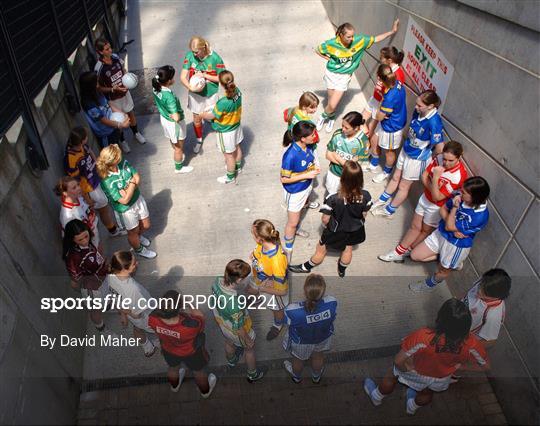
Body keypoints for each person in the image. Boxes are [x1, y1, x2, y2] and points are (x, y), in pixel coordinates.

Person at [364, 298, 490, 415]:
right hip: (441, 378)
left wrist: (405, 369)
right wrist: (459, 367)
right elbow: (485, 367)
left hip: (417, 371)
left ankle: (376, 397)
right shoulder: (472, 343)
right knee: (427, 392)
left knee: (391, 377)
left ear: (440, 319)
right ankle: (412, 407)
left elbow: (398, 361)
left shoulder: (424, 335)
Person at [378, 141, 467, 263]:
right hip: (425, 198)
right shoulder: (440, 157)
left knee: (425, 231)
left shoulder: (458, 175)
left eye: (450, 160)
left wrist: (435, 177)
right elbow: (424, 176)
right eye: (445, 159)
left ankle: (407, 250)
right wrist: (433, 188)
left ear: (459, 157)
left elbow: (437, 198)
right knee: (414, 226)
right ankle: (398, 252)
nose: (445, 163)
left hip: (436, 207)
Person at [289, 161, 372, 277]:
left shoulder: (333, 198)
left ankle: (306, 267)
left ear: (343, 178)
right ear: (360, 178)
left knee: (321, 249)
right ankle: (342, 270)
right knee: (348, 249)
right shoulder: (366, 196)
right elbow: (364, 214)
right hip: (356, 229)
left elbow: (325, 219)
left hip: (336, 230)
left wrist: (327, 228)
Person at [315, 19, 399, 133]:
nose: (351, 39)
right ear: (341, 35)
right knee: (330, 102)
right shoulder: (331, 44)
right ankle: (331, 117)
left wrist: (392, 31)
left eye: (352, 36)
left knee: (333, 104)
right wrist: (328, 58)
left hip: (344, 77)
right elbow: (318, 50)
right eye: (348, 37)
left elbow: (376, 39)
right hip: (331, 74)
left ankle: (323, 116)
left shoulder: (359, 41)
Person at [409, 176, 490, 292]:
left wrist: (454, 208)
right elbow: (442, 210)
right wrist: (452, 226)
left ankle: (429, 285)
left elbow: (449, 225)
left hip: (455, 245)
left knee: (442, 271)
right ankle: (451, 262)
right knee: (414, 255)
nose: (460, 194)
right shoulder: (462, 198)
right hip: (441, 233)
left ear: (475, 197)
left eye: (464, 193)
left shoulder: (479, 216)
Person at [372, 90, 444, 218]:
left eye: (419, 105)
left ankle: (389, 210)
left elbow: (440, 147)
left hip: (417, 159)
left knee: (403, 186)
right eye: (416, 104)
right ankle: (381, 200)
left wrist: (430, 156)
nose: (416, 107)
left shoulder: (434, 122)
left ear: (431, 106)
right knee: (395, 176)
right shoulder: (419, 112)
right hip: (406, 150)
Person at [148, 290, 217, 397]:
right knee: (198, 372)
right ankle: (205, 391)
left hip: (168, 350)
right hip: (191, 353)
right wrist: (189, 304)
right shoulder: (191, 326)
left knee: (173, 368)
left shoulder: (152, 319)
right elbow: (201, 317)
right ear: (180, 308)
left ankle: (174, 386)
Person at [96, 144, 157, 259]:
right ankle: (139, 249)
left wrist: (128, 189)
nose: (121, 157)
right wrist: (132, 183)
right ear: (112, 161)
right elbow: (124, 200)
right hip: (126, 210)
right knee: (132, 231)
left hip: (138, 199)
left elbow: (137, 177)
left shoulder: (122, 162)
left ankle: (138, 238)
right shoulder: (107, 181)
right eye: (118, 156)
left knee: (146, 225)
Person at [211, 259, 266, 382]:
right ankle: (252, 374)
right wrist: (248, 340)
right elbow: (239, 328)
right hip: (235, 330)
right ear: (239, 280)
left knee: (229, 342)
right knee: (249, 350)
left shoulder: (217, 280)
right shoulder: (233, 305)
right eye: (246, 277)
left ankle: (232, 361)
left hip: (223, 323)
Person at [64, 126, 125, 237]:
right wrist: (87, 198)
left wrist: (100, 168)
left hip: (96, 180)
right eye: (85, 137)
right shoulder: (72, 158)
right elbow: (76, 182)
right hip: (90, 188)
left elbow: (91, 154)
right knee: (104, 210)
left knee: (105, 206)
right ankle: (113, 231)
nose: (87, 137)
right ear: (82, 140)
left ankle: (114, 227)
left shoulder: (82, 146)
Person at [282, 274, 337, 384]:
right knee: (318, 356)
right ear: (323, 292)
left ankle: (296, 376)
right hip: (323, 338)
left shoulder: (291, 310)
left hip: (301, 342)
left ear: (305, 291)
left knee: (298, 360)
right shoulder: (332, 302)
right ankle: (316, 376)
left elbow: (287, 323)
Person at [94, 38, 146, 147]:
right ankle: (122, 141)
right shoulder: (99, 68)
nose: (110, 50)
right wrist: (113, 89)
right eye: (107, 49)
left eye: (110, 47)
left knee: (130, 113)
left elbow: (123, 70)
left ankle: (136, 133)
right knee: (120, 119)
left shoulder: (116, 57)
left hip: (125, 93)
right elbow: (98, 88)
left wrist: (128, 79)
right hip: (113, 99)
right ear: (100, 52)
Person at [106, 251, 157, 357]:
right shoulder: (133, 290)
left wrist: (123, 315)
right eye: (134, 263)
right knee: (161, 330)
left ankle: (147, 347)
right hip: (144, 316)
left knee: (137, 328)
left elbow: (115, 298)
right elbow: (136, 314)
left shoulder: (110, 277)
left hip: (131, 315)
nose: (137, 263)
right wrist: (125, 312)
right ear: (124, 269)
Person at [180, 36, 225, 153]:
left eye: (196, 51)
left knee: (215, 116)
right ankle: (199, 140)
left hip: (211, 95)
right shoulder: (190, 56)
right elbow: (182, 77)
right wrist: (191, 88)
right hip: (196, 96)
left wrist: (205, 76)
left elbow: (221, 78)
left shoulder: (215, 59)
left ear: (203, 48)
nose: (194, 54)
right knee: (197, 118)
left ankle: (220, 138)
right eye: (192, 51)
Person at [62, 219, 108, 331]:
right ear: (72, 240)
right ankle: (101, 329)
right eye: (80, 239)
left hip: (102, 280)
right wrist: (87, 293)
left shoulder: (90, 242)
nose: (84, 241)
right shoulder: (73, 258)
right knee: (95, 311)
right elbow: (75, 282)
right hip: (92, 288)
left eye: (86, 236)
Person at [281, 121, 321, 250]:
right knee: (292, 223)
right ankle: (288, 247)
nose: (314, 136)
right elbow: (284, 179)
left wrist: (314, 167)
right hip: (295, 192)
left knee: (303, 207)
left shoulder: (309, 146)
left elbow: (311, 161)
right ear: (303, 138)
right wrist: (306, 176)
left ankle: (296, 228)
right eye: (312, 135)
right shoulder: (290, 155)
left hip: (306, 188)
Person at [247, 219, 289, 341]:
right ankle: (258, 299)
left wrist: (261, 288)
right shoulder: (262, 245)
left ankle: (278, 324)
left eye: (253, 234)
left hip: (273, 290)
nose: (252, 237)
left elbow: (282, 291)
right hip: (261, 279)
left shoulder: (277, 260)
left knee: (276, 309)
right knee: (254, 292)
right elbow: (256, 254)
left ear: (260, 238)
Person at [200, 70, 244, 184]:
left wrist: (203, 115)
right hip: (236, 126)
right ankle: (238, 167)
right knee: (237, 147)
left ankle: (230, 176)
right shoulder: (237, 91)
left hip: (225, 131)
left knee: (229, 155)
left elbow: (213, 116)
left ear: (220, 83)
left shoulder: (223, 102)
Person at [368, 64, 407, 184]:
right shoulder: (397, 82)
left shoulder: (390, 97)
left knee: (389, 152)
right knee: (374, 140)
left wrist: (380, 106)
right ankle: (374, 164)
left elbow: (379, 116)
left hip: (392, 127)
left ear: (379, 78)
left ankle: (386, 172)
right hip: (387, 122)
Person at [152, 65, 194, 174]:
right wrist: (176, 116)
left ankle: (175, 147)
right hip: (174, 124)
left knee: (173, 140)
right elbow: (176, 117)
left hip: (164, 119)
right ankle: (179, 168)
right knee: (179, 148)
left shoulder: (155, 87)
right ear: (169, 81)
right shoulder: (169, 97)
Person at [79, 71, 131, 152]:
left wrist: (123, 114)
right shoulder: (88, 104)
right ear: (89, 85)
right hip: (106, 134)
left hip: (114, 126)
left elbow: (109, 104)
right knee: (110, 154)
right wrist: (120, 125)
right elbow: (103, 120)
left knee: (116, 150)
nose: (98, 84)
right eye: (96, 82)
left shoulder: (97, 92)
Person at [362, 46, 406, 141]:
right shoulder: (387, 68)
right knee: (361, 119)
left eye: (381, 57)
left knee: (371, 127)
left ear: (389, 60)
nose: (380, 59)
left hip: (381, 103)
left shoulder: (398, 75)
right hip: (375, 98)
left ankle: (365, 147)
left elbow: (393, 95)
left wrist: (381, 91)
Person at [462, 269, 511, 348]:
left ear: (495, 296)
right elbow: (468, 293)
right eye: (481, 285)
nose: (479, 290)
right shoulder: (485, 282)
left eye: (484, 293)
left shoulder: (493, 314)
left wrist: (466, 349)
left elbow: (490, 341)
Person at [324, 111, 369, 196]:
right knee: (331, 196)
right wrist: (347, 164)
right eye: (342, 126)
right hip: (333, 173)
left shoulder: (363, 142)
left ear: (356, 128)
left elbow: (357, 168)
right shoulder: (337, 134)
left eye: (346, 127)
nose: (343, 129)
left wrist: (337, 157)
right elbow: (328, 155)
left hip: (349, 179)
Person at [55, 176, 100, 249]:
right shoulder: (68, 216)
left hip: (94, 237)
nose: (79, 188)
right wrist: (94, 249)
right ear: (65, 193)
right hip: (87, 246)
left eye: (78, 185)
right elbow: (78, 239)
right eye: (74, 188)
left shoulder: (78, 198)